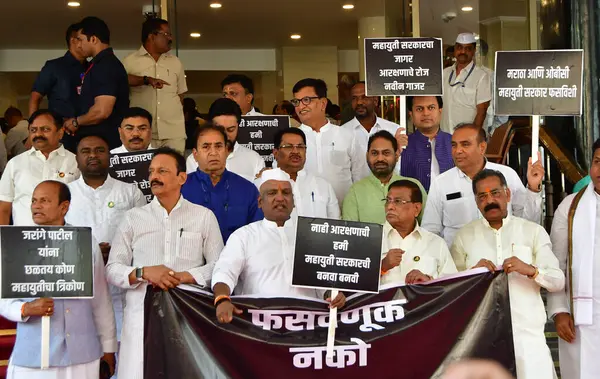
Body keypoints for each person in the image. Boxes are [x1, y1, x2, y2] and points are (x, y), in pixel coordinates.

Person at [106, 147, 223, 379]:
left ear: (182, 177)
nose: (154, 177)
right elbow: (112, 269)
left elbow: (219, 267)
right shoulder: (133, 217)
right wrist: (144, 272)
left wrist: (182, 277)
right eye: (151, 172)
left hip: (188, 315)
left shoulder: (203, 216)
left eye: (162, 171)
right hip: (141, 316)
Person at [451, 169, 563, 379]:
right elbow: (450, 291)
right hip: (482, 341)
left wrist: (531, 270)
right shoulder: (464, 237)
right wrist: (472, 275)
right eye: (482, 196)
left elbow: (558, 280)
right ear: (476, 202)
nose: (490, 200)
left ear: (508, 194)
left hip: (528, 339)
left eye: (495, 193)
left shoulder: (532, 231)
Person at [0, 180, 117, 378]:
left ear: (64, 207)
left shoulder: (85, 242)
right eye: (34, 201)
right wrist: (24, 309)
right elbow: (3, 299)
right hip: (34, 355)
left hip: (82, 354)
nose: (36, 206)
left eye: (44, 201)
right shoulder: (16, 243)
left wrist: (108, 347)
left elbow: (100, 300)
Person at [212, 169, 345, 323]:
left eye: (286, 192)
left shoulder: (310, 235)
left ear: (293, 202)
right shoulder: (244, 236)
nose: (280, 198)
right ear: (260, 202)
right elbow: (225, 272)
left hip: (308, 325)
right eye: (272, 193)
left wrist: (332, 294)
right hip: (258, 326)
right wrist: (222, 299)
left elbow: (323, 281)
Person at [66, 134, 146, 356]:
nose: (93, 155)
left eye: (99, 150)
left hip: (120, 285)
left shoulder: (130, 192)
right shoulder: (65, 193)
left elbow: (145, 235)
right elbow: (56, 239)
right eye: (86, 151)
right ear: (77, 158)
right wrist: (88, 251)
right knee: (83, 351)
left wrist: (119, 251)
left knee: (124, 349)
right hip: (80, 285)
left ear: (109, 156)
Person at [422, 123, 544, 247]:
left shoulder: (507, 175)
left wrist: (533, 189)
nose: (458, 151)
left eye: (465, 144)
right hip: (459, 262)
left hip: (504, 259)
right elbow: (430, 231)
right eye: (454, 145)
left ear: (482, 147)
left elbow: (528, 223)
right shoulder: (441, 183)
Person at [547, 139, 600, 379]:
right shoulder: (570, 207)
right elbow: (555, 263)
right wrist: (559, 311)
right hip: (581, 318)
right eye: (597, 162)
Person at [182, 123, 262, 242]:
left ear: (227, 151)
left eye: (218, 146)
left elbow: (257, 233)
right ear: (195, 154)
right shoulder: (180, 188)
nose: (213, 152)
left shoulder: (247, 189)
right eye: (206, 147)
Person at [291, 78, 367, 203]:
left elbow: (360, 176)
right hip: (304, 214)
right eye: (296, 101)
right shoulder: (291, 139)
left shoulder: (347, 135)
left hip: (344, 213)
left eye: (306, 100)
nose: (300, 106)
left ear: (323, 103)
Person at [0, 110, 79, 226]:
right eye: (33, 130)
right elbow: (4, 209)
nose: (38, 134)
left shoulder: (76, 163)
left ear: (60, 132)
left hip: (65, 240)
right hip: (24, 240)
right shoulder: (15, 163)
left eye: (45, 129)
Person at [123, 18, 187, 153]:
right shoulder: (130, 61)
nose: (170, 38)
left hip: (173, 132)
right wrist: (144, 80)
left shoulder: (176, 62)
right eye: (166, 34)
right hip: (141, 132)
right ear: (152, 36)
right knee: (143, 171)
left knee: (174, 170)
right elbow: (120, 81)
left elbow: (180, 94)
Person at [64, 17, 129, 150]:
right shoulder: (100, 65)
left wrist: (76, 122)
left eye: (81, 40)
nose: (79, 45)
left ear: (93, 39)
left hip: (103, 143)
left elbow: (102, 111)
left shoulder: (105, 66)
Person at [380, 180, 456, 286]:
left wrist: (428, 281)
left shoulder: (436, 243)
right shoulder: (370, 239)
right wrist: (382, 267)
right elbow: (355, 283)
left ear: (416, 208)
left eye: (397, 201)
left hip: (425, 302)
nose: (390, 207)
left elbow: (452, 287)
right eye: (388, 201)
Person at [342, 130, 426, 224]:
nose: (380, 158)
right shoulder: (355, 191)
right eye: (374, 153)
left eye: (386, 153)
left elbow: (428, 227)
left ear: (397, 156)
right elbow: (351, 234)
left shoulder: (414, 186)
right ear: (367, 156)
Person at [185, 98, 265, 181]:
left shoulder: (255, 160)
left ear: (238, 126)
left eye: (231, 130)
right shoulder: (195, 159)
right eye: (220, 130)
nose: (225, 136)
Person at [269, 128, 339, 218]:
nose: (295, 151)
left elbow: (335, 224)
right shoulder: (263, 184)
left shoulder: (323, 186)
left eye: (300, 147)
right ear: (275, 153)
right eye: (289, 147)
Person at [29, 24, 88, 126]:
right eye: (86, 39)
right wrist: (33, 128)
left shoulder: (93, 68)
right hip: (61, 129)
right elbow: (35, 98)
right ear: (74, 40)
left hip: (89, 128)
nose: (89, 43)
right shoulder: (54, 66)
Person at [341, 81, 400, 178]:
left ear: (375, 100)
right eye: (354, 98)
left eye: (364, 97)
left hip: (388, 191)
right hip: (356, 191)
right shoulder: (342, 132)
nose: (359, 102)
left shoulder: (393, 130)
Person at [399, 96, 454, 191]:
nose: (426, 113)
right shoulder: (402, 145)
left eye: (431, 108)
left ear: (440, 111)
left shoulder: (454, 142)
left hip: (451, 203)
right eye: (419, 109)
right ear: (411, 114)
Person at [441, 33, 491, 133]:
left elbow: (482, 112)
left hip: (467, 139)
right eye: (459, 47)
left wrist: (472, 137)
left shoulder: (481, 76)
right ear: (455, 49)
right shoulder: (444, 73)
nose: (463, 51)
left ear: (474, 51)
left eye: (468, 49)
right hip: (445, 134)